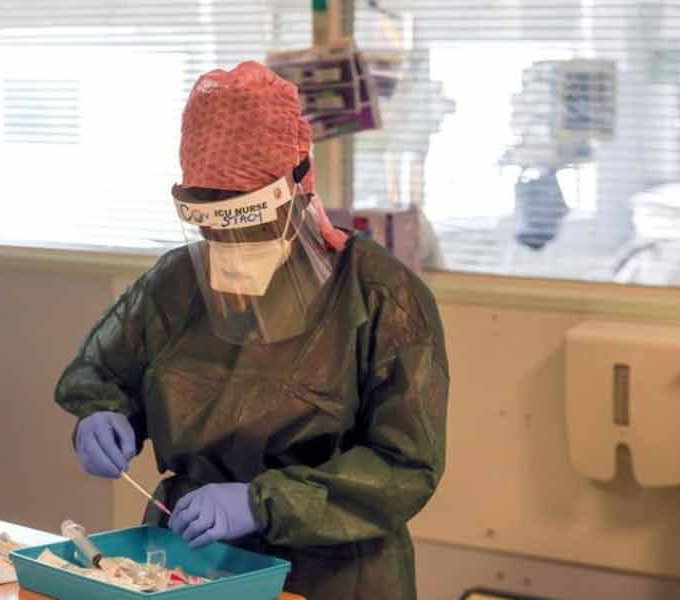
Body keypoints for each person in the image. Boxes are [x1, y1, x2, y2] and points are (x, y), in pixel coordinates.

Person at [55, 61, 449, 600]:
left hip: (333, 575)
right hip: (194, 562)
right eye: (211, 224)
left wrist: (261, 502)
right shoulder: (176, 283)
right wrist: (103, 416)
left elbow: (404, 466)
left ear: (296, 186)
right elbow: (108, 374)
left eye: (245, 221)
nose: (229, 247)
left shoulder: (382, 296)